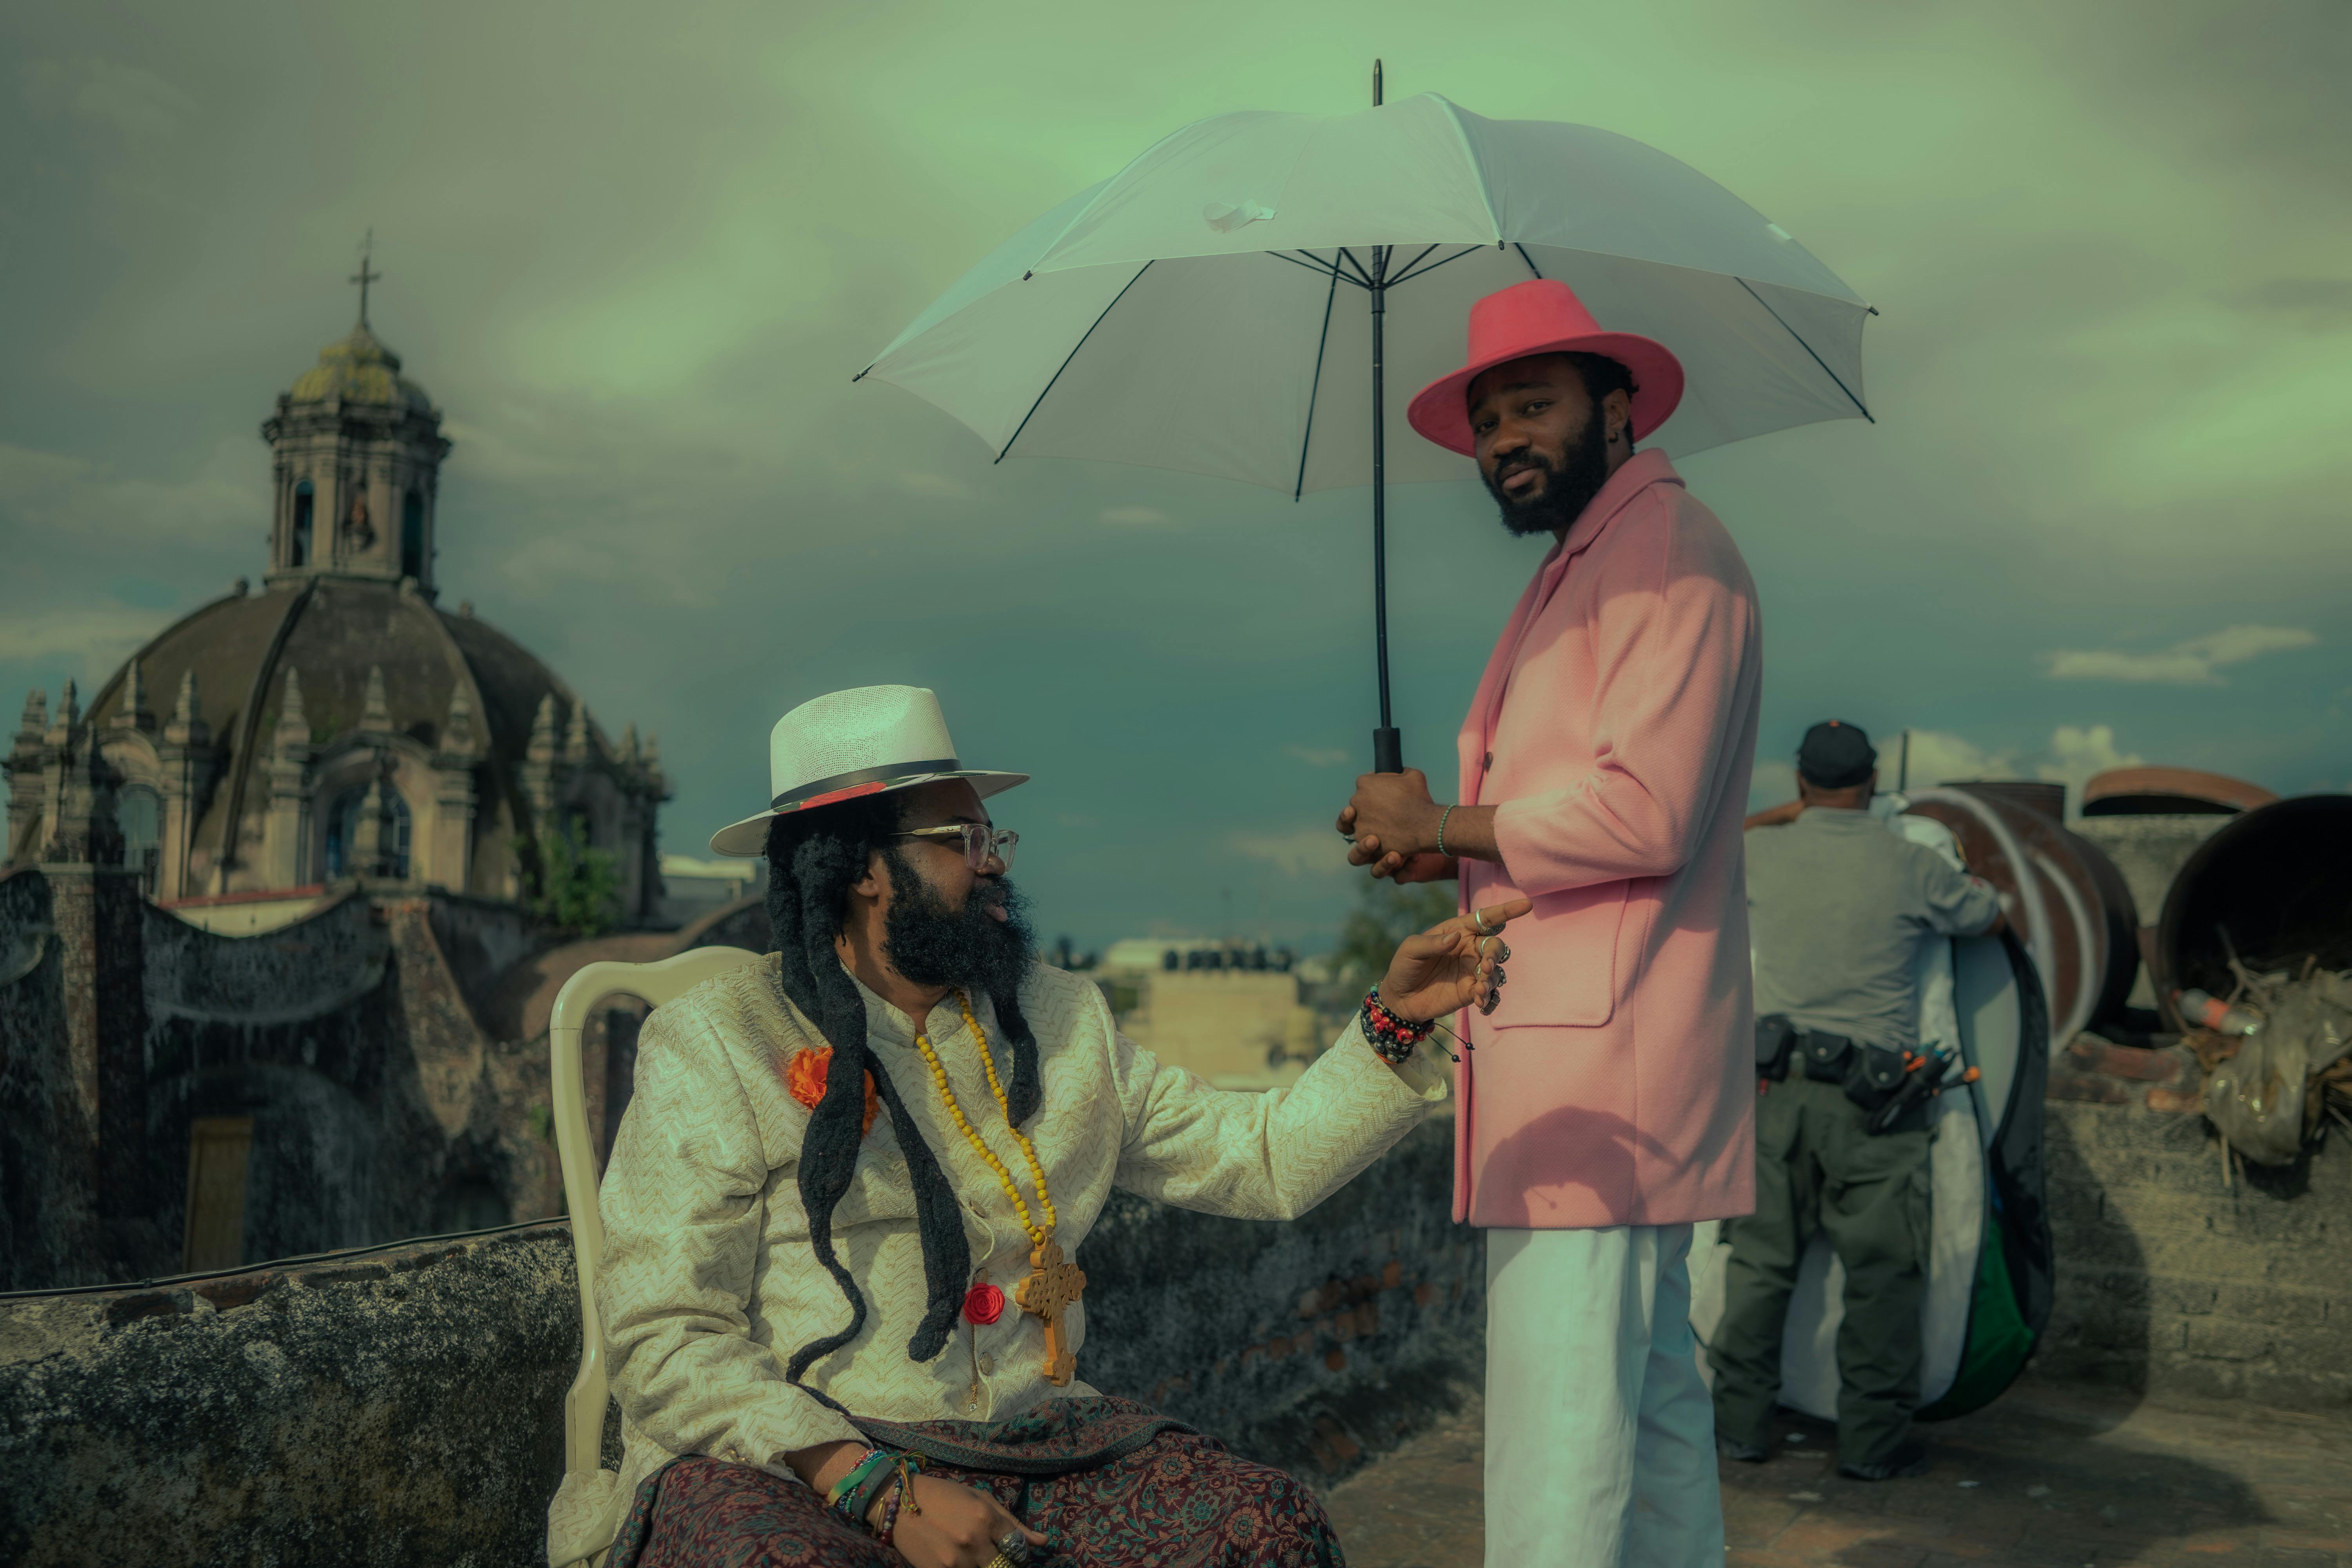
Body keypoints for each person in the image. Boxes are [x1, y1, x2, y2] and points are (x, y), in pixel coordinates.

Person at [547, 684, 1528, 1568]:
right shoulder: (718, 1040)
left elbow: (1261, 1161)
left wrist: (1395, 1023)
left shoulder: (1060, 1020)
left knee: (1266, 1527)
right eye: (960, 841)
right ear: (862, 869)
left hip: (1032, 1443)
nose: (991, 867)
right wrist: (872, 1486)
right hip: (794, 1456)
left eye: (992, 840)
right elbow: (665, 1332)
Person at [1336, 279, 1760, 1566]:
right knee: (1653, 1423)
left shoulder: (1662, 555)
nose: (1507, 437)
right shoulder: (1593, 562)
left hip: (1599, 1076)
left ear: (1616, 410)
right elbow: (1581, 809)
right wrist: (1439, 849)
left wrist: (1447, 820)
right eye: (1488, 420)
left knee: (1558, 1454)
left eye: (1535, 405)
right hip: (1586, 1065)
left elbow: (1649, 812)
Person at [1709, 720, 2003, 1481]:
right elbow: (1989, 915)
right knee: (1881, 1274)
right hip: (1877, 1104)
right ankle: (1872, 1445)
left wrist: (1783, 813)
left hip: (1772, 1092)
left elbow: (1713, 838)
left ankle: (1739, 1426)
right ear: (1871, 783)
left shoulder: (1758, 851)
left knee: (1759, 1264)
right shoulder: (1909, 861)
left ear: (1801, 782)